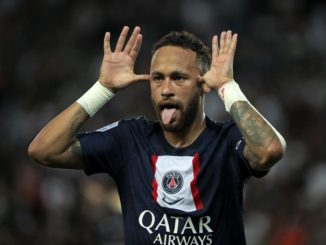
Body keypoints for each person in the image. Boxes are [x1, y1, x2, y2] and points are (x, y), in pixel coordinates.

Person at [28, 26, 286, 244]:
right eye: (157, 79)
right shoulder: (130, 139)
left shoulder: (227, 142)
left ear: (203, 85)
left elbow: (270, 150)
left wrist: (228, 88)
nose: (165, 90)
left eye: (178, 78)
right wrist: (102, 90)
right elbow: (44, 150)